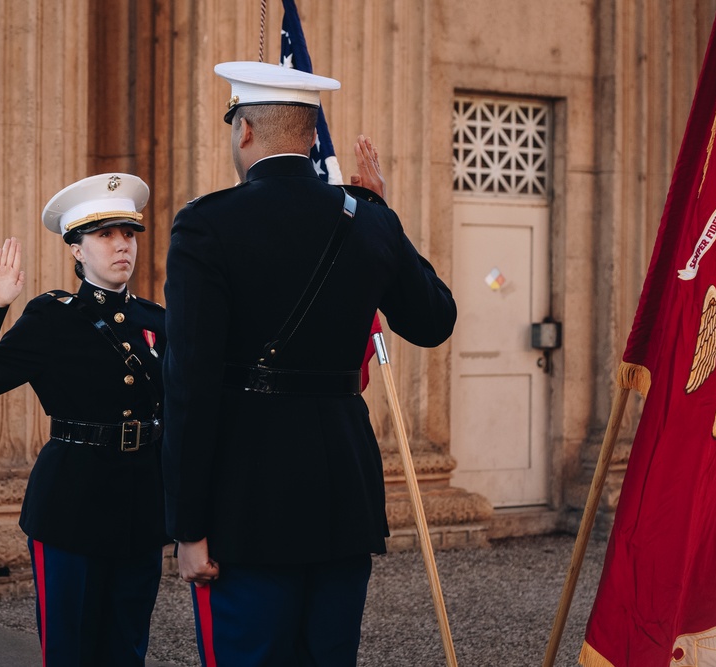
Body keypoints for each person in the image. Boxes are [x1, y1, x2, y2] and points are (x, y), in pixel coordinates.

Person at [162, 61, 457, 667]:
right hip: (342, 497)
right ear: (313, 135)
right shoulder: (368, 217)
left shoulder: (206, 224)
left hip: (247, 502)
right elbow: (434, 320)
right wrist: (384, 216)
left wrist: (187, 526)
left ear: (244, 132)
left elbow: (188, 384)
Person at [0, 173, 168, 666]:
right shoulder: (52, 318)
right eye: (104, 235)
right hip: (72, 504)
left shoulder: (156, 320)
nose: (121, 245)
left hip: (143, 504)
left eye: (128, 234)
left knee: (128, 644)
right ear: (77, 250)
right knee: (71, 648)